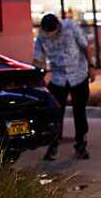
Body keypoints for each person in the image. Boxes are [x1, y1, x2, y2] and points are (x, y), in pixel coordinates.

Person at [33, 13, 92, 160]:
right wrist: (38, 71)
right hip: (58, 78)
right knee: (55, 113)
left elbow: (85, 46)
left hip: (78, 74)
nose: (51, 36)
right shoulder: (41, 38)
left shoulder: (70, 27)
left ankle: (81, 145)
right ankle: (53, 146)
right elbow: (38, 58)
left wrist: (91, 66)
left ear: (58, 26)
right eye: (48, 33)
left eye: (53, 32)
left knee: (79, 111)